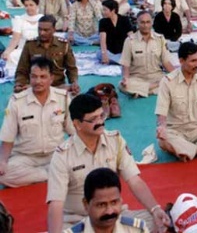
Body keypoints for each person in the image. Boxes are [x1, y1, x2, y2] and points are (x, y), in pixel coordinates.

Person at [47, 94, 170, 232]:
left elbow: (134, 180)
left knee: (162, 221)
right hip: (78, 221)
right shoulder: (62, 155)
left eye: (102, 116)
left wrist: (155, 209)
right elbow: (56, 204)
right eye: (93, 119)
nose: (101, 122)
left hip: (115, 216)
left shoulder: (115, 140)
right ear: (77, 124)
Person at [0, 57, 73, 188]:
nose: (38, 81)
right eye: (34, 77)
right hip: (25, 157)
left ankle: (45, 174)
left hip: (55, 154)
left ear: (51, 78)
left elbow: (74, 131)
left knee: (82, 164)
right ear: (29, 77)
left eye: (43, 77)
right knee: (3, 174)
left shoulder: (63, 98)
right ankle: (51, 175)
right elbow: (7, 139)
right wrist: (2, 162)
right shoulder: (16, 102)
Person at [64, 168, 149, 233]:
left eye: (114, 202)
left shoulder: (137, 230)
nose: (109, 211)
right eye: (102, 205)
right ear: (86, 204)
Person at [14, 15, 79, 94]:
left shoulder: (63, 45)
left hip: (57, 86)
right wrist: (19, 84)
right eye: (39, 29)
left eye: (46, 30)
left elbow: (71, 69)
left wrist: (74, 83)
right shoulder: (30, 45)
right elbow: (22, 69)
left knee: (75, 99)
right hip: (35, 86)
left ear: (54, 30)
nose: (42, 33)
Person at [119, 11, 175, 98]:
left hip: (157, 77)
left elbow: (166, 62)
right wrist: (125, 79)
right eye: (142, 22)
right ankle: (154, 89)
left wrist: (176, 75)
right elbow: (125, 64)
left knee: (175, 80)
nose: (145, 25)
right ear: (137, 23)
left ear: (152, 22)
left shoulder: (160, 39)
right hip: (137, 78)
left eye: (148, 22)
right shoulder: (129, 40)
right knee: (122, 86)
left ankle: (142, 92)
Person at [0, 0, 43, 67]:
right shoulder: (20, 19)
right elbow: (15, 39)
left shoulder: (43, 19)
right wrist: (7, 51)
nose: (28, 8)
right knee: (11, 56)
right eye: (26, 5)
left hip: (41, 49)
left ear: (37, 5)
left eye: (31, 5)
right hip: (24, 50)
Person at [98, 0, 133, 65]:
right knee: (100, 54)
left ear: (113, 10)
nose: (103, 12)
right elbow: (102, 40)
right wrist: (104, 54)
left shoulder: (124, 20)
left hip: (122, 51)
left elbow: (131, 36)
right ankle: (121, 61)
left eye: (105, 10)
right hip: (108, 51)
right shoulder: (103, 22)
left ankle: (119, 60)